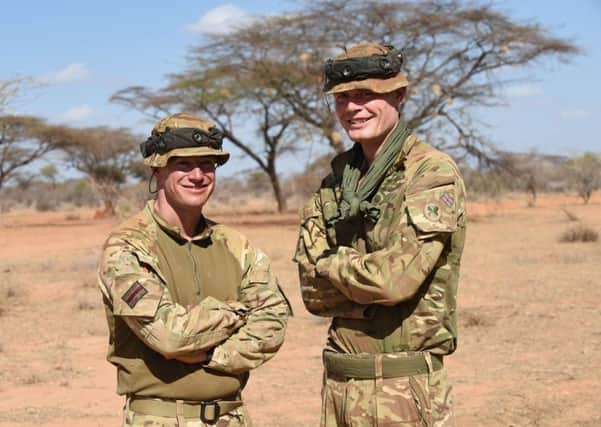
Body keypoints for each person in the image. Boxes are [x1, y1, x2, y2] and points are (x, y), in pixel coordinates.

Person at [294, 43, 466, 426]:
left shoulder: (429, 174)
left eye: (366, 94)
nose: (353, 108)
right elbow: (311, 293)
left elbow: (394, 281)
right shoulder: (336, 181)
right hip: (339, 385)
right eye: (343, 98)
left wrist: (331, 267)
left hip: (403, 388)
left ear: (399, 96)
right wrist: (361, 278)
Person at [98, 113, 290, 427]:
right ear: (157, 169)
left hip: (232, 417)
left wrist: (210, 355)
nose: (198, 175)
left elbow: (274, 323)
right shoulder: (128, 247)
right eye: (183, 165)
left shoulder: (235, 245)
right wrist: (239, 312)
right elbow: (171, 337)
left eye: (208, 165)